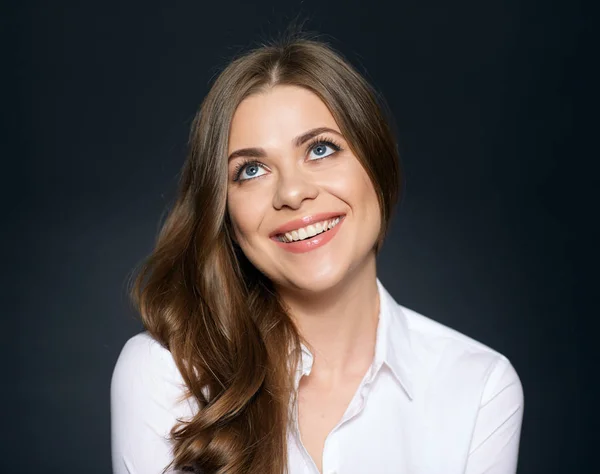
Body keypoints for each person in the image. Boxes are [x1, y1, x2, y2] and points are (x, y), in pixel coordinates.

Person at [110, 34, 524, 474]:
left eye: (321, 149)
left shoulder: (480, 386)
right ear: (225, 212)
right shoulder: (166, 375)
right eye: (251, 170)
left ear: (377, 164)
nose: (292, 192)